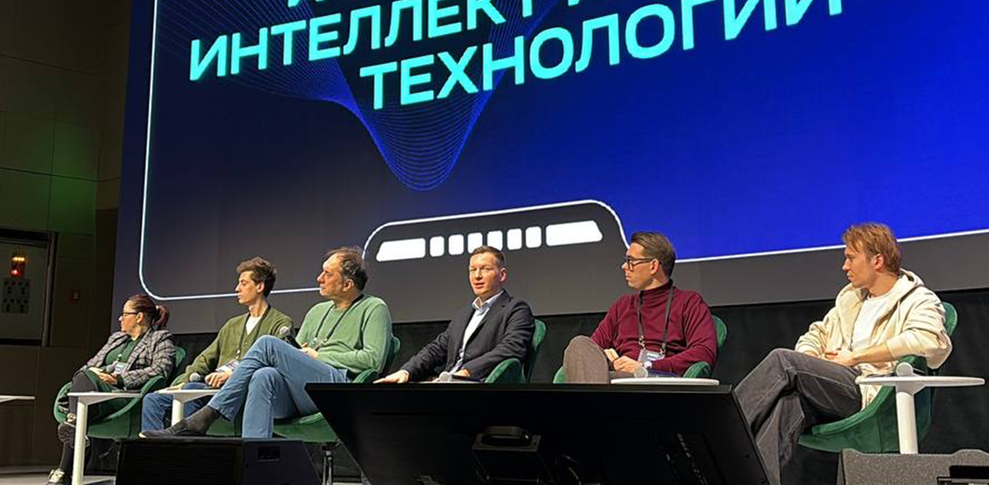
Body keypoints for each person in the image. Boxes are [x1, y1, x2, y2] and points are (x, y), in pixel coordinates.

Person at [734, 223, 951, 485]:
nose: (844, 266)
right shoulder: (851, 299)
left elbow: (931, 341)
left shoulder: (918, 299)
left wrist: (856, 356)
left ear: (877, 261)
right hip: (834, 387)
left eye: (850, 258)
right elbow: (816, 334)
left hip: (870, 391)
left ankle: (724, 428)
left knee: (783, 360)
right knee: (788, 404)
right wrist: (812, 360)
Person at [142, 247, 392, 439]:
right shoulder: (317, 311)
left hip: (337, 388)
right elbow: (292, 353)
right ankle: (253, 464)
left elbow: (373, 360)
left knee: (268, 344)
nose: (319, 278)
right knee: (264, 375)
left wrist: (318, 357)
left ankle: (206, 417)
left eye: (327, 274)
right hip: (302, 390)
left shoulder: (374, 308)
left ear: (348, 284)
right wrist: (302, 356)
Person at [141, 257, 293, 431]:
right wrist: (180, 382)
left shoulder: (280, 323)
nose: (237, 288)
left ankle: (190, 441)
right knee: (153, 400)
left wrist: (232, 375)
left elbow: (276, 365)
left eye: (243, 283)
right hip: (213, 389)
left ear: (260, 286)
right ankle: (154, 448)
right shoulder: (232, 325)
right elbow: (205, 359)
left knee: (192, 391)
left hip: (243, 392)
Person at [48, 295, 177, 485]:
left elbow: (160, 370)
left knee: (80, 402)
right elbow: (89, 366)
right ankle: (74, 434)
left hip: (125, 398)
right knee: (84, 375)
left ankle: (64, 468)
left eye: (125, 314)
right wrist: (101, 372)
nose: (120, 318)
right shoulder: (116, 339)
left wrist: (119, 378)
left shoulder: (159, 339)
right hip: (97, 393)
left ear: (139, 317)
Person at [562, 231, 716, 381]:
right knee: (580, 344)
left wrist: (646, 366)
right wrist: (605, 355)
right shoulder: (622, 306)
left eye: (631, 261)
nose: (624, 266)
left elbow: (704, 352)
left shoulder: (689, 302)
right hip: (613, 379)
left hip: (655, 380)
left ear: (653, 266)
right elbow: (591, 349)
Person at [377, 246, 534, 383]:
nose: (477, 276)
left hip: (479, 383)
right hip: (449, 381)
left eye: (485, 269)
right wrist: (406, 371)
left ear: (502, 275)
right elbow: (436, 349)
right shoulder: (464, 314)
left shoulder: (516, 309)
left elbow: (511, 349)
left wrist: (466, 371)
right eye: (472, 270)